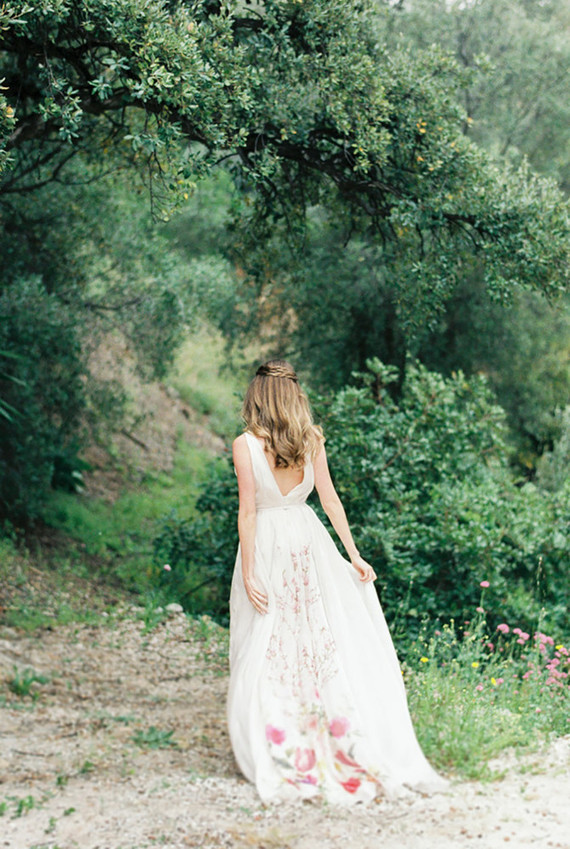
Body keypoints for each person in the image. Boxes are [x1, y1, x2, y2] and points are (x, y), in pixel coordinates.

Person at [227, 359, 447, 804]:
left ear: (257, 396)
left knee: (269, 636)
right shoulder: (311, 439)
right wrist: (352, 553)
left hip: (269, 543)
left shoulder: (245, 445)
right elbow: (329, 500)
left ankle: (282, 730)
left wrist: (249, 571)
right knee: (314, 632)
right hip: (308, 541)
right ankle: (323, 722)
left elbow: (248, 511)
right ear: (294, 396)